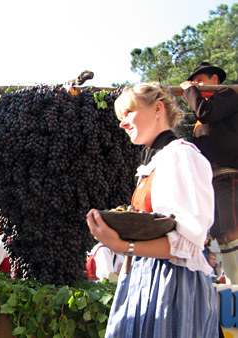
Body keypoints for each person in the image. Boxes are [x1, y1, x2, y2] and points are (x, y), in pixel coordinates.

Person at [87, 83, 218, 337]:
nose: (122, 124)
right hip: (145, 278)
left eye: (128, 113)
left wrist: (123, 246)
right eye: (120, 117)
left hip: (174, 286)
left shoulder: (180, 156)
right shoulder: (156, 162)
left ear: (158, 108)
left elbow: (190, 243)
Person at [180, 62, 238, 284]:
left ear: (215, 79)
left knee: (233, 230)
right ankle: (233, 283)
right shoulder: (206, 107)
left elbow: (205, 112)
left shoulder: (227, 94)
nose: (196, 85)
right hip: (213, 178)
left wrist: (189, 91)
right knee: (222, 233)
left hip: (229, 173)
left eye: (200, 80)